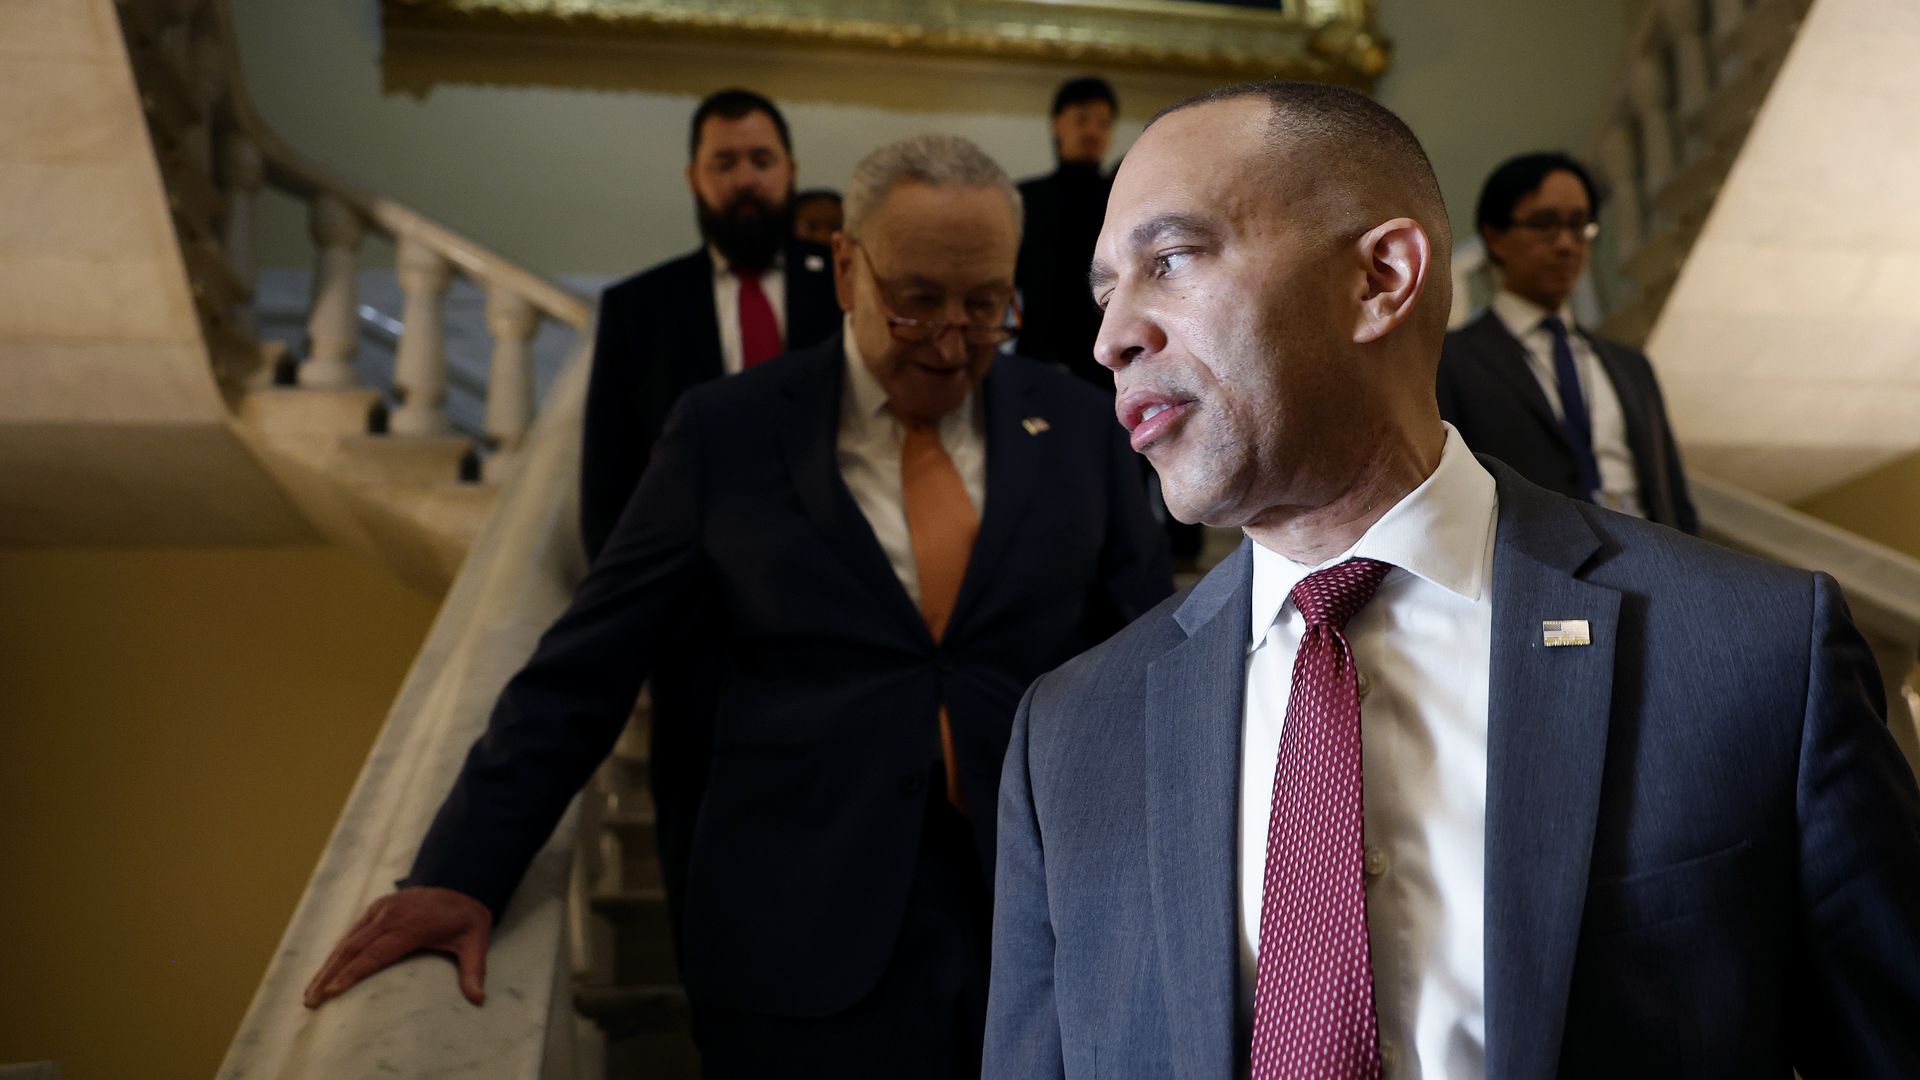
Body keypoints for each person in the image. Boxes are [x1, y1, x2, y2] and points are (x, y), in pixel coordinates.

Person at [985, 81, 1920, 1078]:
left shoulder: (1758, 656)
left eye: (1169, 261)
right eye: (1103, 292)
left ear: (1380, 279)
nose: (1111, 338)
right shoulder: (1070, 737)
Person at [306, 133, 1173, 1079]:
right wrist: (460, 872)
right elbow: (587, 664)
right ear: (846, 268)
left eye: (984, 306)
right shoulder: (728, 432)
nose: (955, 341)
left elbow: (1145, 671)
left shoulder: (1081, 427)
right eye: (918, 302)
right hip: (794, 931)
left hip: (1038, 925)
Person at [583, 88, 841, 561]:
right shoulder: (638, 309)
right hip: (690, 586)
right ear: (693, 179)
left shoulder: (849, 286)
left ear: (792, 172)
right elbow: (609, 485)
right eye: (724, 163)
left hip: (837, 572)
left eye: (762, 160)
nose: (746, 179)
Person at [1438, 152, 1697, 533]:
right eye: (1545, 224)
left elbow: (1674, 499)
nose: (1565, 244)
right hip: (1537, 568)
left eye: (1579, 226)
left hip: (1657, 564)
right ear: (1495, 237)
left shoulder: (1631, 367)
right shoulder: (1453, 360)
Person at [1014, 75, 1117, 387]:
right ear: (1056, 125)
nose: (1093, 132)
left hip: (1105, 361)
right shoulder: (1023, 199)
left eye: (1103, 123)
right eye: (1082, 119)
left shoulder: (1119, 199)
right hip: (1036, 359)